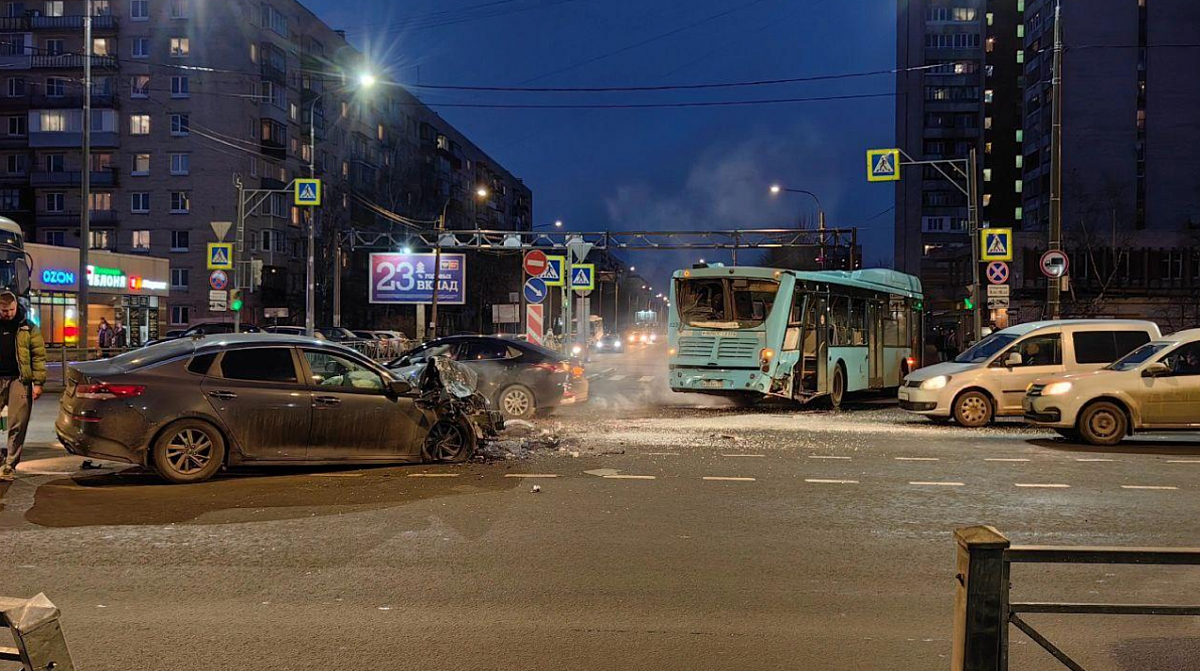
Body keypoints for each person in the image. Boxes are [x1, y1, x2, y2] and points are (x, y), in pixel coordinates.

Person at [0, 291, 47, 481]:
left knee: (17, 423)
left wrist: (38, 383)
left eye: (11, 310)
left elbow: (39, 356)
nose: (8, 314)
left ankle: (10, 464)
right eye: (4, 311)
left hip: (20, 380)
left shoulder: (28, 327)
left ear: (16, 306)